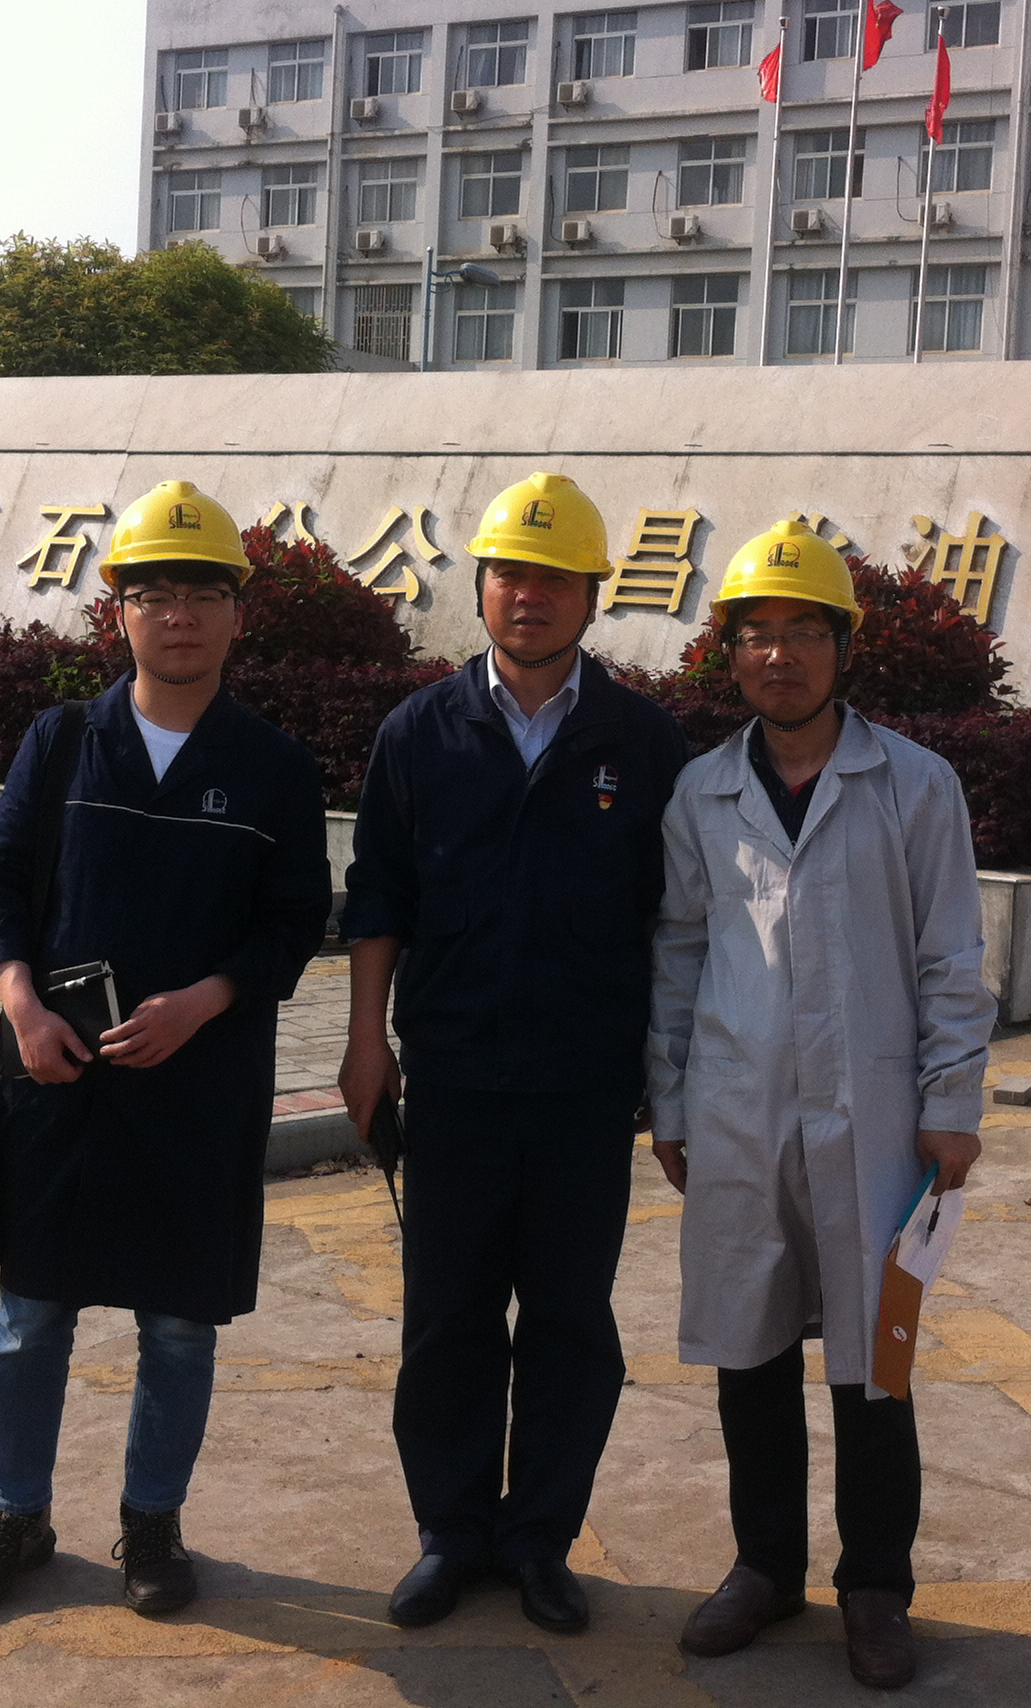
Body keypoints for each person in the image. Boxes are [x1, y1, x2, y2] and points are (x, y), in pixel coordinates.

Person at [0, 480, 331, 1618]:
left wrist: (203, 1003)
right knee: (29, 1323)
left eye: (202, 592)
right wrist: (20, 1004)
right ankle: (17, 1513)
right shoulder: (64, 742)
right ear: (120, 612)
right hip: (56, 1080)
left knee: (179, 1327)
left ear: (238, 615)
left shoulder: (273, 766)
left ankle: (151, 1525)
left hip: (199, 1089)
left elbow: (294, 922)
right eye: (154, 593)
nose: (179, 615)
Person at [644, 519, 994, 1691]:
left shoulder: (914, 785)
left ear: (845, 648)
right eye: (756, 634)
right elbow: (679, 950)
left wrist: (953, 1100)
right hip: (738, 1111)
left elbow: (951, 954)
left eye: (803, 631)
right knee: (748, 1346)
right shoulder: (702, 792)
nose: (778, 655)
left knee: (872, 1359)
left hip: (877, 1116)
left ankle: (876, 1585)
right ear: (729, 654)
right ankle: (765, 1566)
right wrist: (670, 1099)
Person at [339, 471, 689, 1635]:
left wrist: (669, 1074)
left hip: (586, 1085)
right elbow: (379, 894)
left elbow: (672, 918)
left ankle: (539, 1536)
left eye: (552, 578)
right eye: (508, 575)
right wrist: (367, 1042)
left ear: (592, 594)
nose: (527, 596)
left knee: (570, 1321)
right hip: (453, 1076)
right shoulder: (420, 731)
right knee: (446, 1316)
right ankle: (450, 1532)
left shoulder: (642, 740)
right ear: (481, 587)